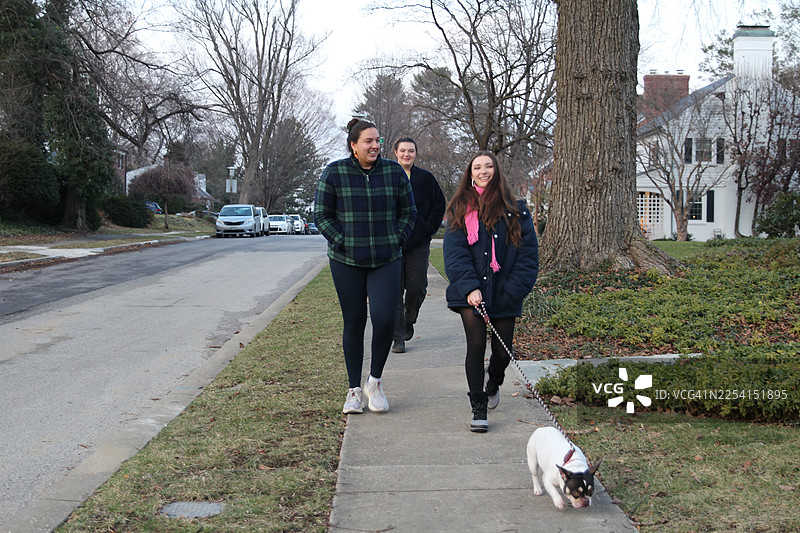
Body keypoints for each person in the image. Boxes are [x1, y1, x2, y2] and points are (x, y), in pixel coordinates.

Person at [314, 119, 417, 415]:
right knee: (354, 322)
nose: (374, 146)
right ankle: (354, 390)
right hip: (346, 260)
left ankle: (375, 382)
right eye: (368, 141)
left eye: (377, 141)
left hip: (385, 259)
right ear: (353, 145)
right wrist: (342, 241)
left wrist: (396, 240)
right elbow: (322, 214)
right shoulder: (335, 172)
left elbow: (409, 212)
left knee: (384, 319)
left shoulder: (394, 172)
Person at [443, 151, 539, 432]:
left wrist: (514, 290)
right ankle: (478, 406)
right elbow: (455, 253)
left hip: (504, 290)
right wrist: (470, 287)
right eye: (477, 167)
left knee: (503, 351)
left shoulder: (516, 208)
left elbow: (528, 255)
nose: (483, 171)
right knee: (476, 345)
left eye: (488, 166)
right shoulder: (460, 207)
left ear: (496, 171)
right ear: (470, 173)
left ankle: (494, 381)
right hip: (470, 291)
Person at [391, 137, 446, 354]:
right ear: (395, 152)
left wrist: (427, 228)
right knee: (394, 291)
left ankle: (408, 319)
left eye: (411, 151)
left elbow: (438, 205)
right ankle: (398, 338)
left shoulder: (426, 178)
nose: (407, 154)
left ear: (416, 153)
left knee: (416, 287)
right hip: (393, 243)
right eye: (403, 150)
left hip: (418, 242)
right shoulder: (387, 176)